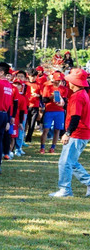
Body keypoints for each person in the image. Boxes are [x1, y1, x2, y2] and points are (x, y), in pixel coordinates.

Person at [50, 69, 90, 197]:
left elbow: (75, 118)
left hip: (78, 133)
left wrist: (67, 133)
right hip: (82, 133)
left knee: (65, 162)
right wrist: (65, 103)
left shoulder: (77, 96)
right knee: (71, 162)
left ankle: (65, 190)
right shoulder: (82, 93)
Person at [40, 72, 67, 153]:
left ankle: (53, 148)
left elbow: (65, 101)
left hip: (60, 111)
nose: (58, 82)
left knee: (57, 130)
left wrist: (61, 99)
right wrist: (50, 97)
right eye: (57, 80)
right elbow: (44, 100)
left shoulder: (64, 89)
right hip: (49, 111)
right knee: (46, 130)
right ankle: (42, 147)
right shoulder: (47, 87)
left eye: (60, 80)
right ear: (53, 80)